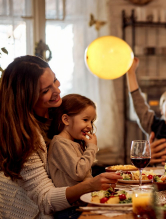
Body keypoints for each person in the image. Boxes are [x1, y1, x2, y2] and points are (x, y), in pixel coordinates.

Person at [0, 56, 121, 219]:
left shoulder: (58, 115)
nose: (57, 90)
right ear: (26, 97)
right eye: (45, 90)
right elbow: (46, 199)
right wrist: (90, 185)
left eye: (55, 80)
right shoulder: (23, 137)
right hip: (34, 213)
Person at [47, 94, 98, 187]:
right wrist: (92, 148)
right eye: (85, 119)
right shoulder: (60, 143)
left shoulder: (72, 143)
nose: (90, 126)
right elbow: (78, 173)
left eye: (91, 121)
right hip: (76, 201)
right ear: (66, 120)